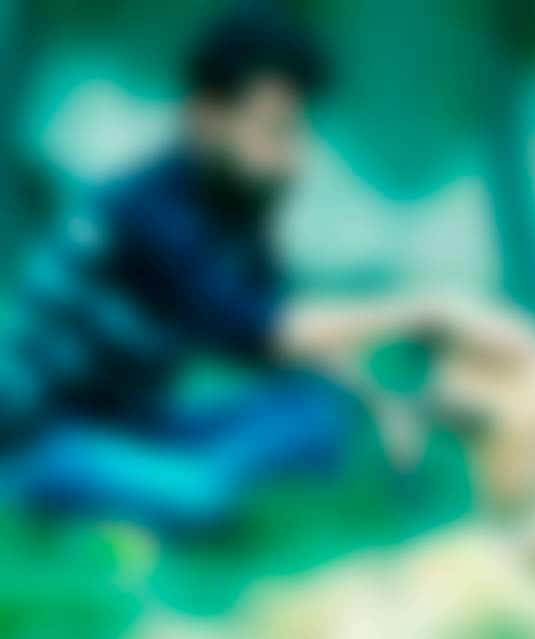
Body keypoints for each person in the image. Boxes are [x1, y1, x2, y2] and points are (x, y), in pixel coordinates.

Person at [0, 6, 435, 531]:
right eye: (273, 130)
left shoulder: (234, 208)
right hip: (42, 432)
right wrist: (426, 313)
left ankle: (171, 476)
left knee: (319, 411)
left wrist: (382, 404)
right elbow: (264, 326)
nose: (291, 156)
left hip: (136, 421)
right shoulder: (146, 210)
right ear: (206, 117)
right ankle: (105, 486)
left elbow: (289, 340)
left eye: (296, 132)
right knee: (199, 496)